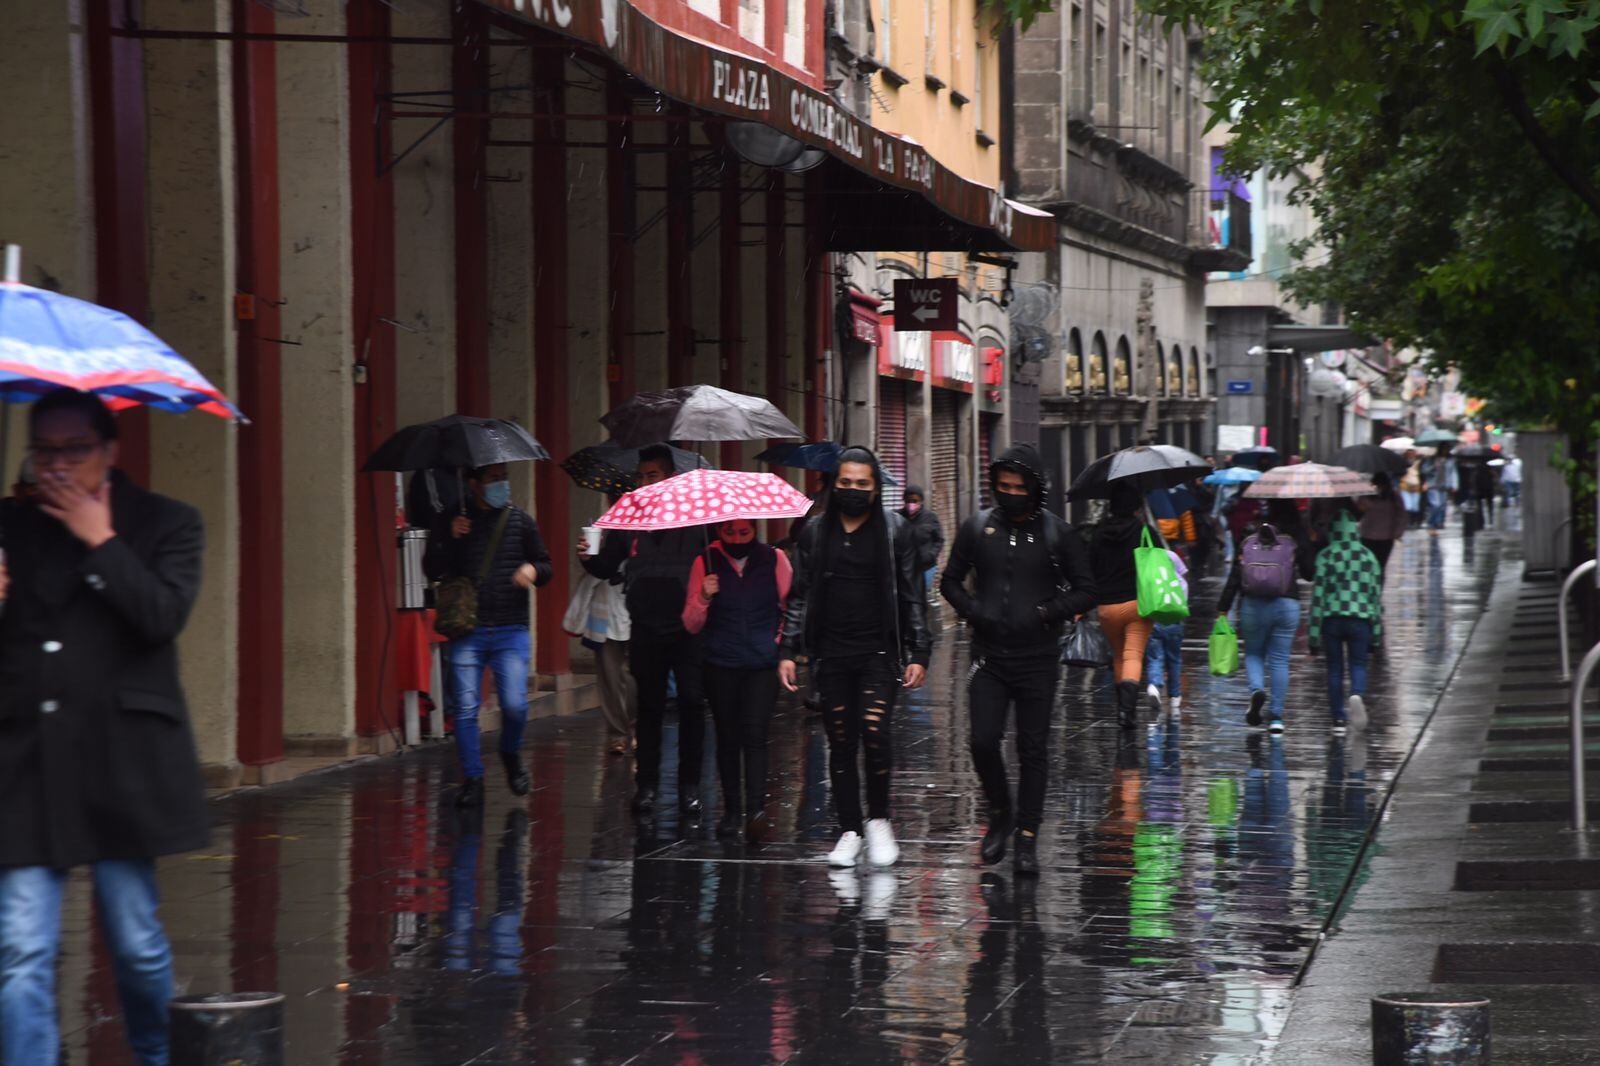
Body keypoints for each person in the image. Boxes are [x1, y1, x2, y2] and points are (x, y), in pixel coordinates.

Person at [0, 388, 211, 1065]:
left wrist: (101, 539)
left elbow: (161, 617)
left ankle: (154, 1054)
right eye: (44, 452)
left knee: (135, 942)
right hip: (26, 762)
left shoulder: (168, 523)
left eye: (75, 450)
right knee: (20, 948)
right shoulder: (9, 527)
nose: (58, 466)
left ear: (110, 451)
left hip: (121, 760)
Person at [940, 444, 1096, 874]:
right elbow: (949, 581)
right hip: (988, 657)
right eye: (1002, 486)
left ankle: (1027, 836)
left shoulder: (1058, 534)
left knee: (1033, 749)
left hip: (1038, 659)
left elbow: (1087, 590)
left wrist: (1046, 612)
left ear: (1035, 489)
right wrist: (974, 611)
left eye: (1018, 487)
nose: (1009, 494)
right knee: (982, 741)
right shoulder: (977, 529)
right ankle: (1000, 811)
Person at [779, 447, 929, 869]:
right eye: (845, 482)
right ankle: (850, 829)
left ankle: (879, 820)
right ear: (833, 485)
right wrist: (789, 649)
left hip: (879, 651)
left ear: (876, 488)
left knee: (875, 732)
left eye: (862, 483)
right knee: (841, 740)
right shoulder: (814, 532)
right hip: (831, 654)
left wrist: (920, 650)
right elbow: (799, 596)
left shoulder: (895, 531)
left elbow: (912, 594)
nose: (853, 490)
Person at [581, 445, 710, 818]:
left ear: (671, 477)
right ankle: (647, 786)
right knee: (649, 707)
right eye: (639, 476)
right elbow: (607, 566)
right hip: (645, 627)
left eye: (651, 475)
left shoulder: (697, 516)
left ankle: (690, 787)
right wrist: (588, 558)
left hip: (688, 629)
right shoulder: (630, 517)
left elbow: (715, 558)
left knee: (691, 703)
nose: (643, 483)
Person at [425, 462, 554, 806]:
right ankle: (473, 778)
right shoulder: (453, 518)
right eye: (493, 478)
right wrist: (449, 537)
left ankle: (510, 752)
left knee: (515, 705)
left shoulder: (520, 520)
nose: (501, 484)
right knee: (466, 709)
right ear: (474, 483)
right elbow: (432, 569)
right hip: (469, 629)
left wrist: (532, 570)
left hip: (511, 629)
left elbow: (546, 565)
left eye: (504, 477)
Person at [683, 519, 793, 843]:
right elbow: (690, 624)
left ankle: (756, 810)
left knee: (755, 735)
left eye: (744, 532)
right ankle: (732, 811)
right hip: (721, 663)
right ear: (719, 531)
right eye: (729, 532)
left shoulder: (775, 559)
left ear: (755, 530)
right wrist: (703, 596)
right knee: (727, 737)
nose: (737, 539)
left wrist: (780, 644)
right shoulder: (704, 561)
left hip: (762, 664)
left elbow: (792, 607)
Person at [1217, 499, 1315, 732]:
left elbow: (1236, 574)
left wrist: (1223, 606)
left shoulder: (1253, 531)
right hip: (1287, 603)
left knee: (1254, 653)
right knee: (1280, 659)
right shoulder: (1296, 534)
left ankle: (1257, 690)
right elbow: (1309, 573)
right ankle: (1277, 718)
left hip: (1253, 604)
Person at [1087, 481, 1161, 730]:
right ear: (1136, 507)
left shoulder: (1098, 534)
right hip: (1137, 604)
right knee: (1133, 656)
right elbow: (1161, 560)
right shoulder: (1144, 532)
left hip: (1106, 608)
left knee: (1119, 655)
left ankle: (1122, 708)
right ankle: (1126, 712)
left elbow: (1090, 568)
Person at [563, 521, 635, 756]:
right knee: (610, 678)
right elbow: (602, 567)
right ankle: (618, 733)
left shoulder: (662, 528)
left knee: (637, 678)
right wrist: (588, 558)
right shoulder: (612, 527)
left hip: (644, 611)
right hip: (608, 611)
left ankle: (637, 726)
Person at [1310, 510, 1384, 732]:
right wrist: (1376, 635)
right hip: (1360, 618)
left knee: (1334, 669)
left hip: (1331, 618)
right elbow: (1375, 598)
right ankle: (1356, 695)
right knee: (1358, 664)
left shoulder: (1326, 556)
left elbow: (1318, 598)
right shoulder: (1368, 557)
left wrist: (1313, 636)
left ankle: (1338, 719)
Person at [1144, 550, 1189, 717]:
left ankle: (1154, 686)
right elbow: (1184, 578)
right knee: (1174, 658)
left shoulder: (1147, 568)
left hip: (1154, 619)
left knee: (1155, 657)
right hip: (1175, 620)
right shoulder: (1173, 563)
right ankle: (1175, 696)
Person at [1357, 472, 1407, 583]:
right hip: (1367, 536)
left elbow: (1401, 515)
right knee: (1367, 565)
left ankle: (1377, 587)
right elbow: (1358, 510)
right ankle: (1369, 586)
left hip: (1386, 537)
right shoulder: (1366, 495)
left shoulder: (1393, 496)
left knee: (1380, 565)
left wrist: (1397, 532)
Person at [898, 484, 945, 602]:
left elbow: (939, 539)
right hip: (904, 567)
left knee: (921, 597)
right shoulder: (897, 517)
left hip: (925, 567)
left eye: (914, 501)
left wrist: (931, 555)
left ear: (921, 501)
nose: (911, 504)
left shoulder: (930, 517)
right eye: (908, 501)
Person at [1399, 451, 1423, 528]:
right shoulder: (1402, 463)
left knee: (1415, 507)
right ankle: (1408, 522)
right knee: (1408, 506)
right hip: (1405, 486)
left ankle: (1414, 522)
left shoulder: (1419, 463)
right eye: (1409, 453)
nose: (1411, 455)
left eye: (1412, 453)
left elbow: (1423, 474)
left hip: (1416, 487)